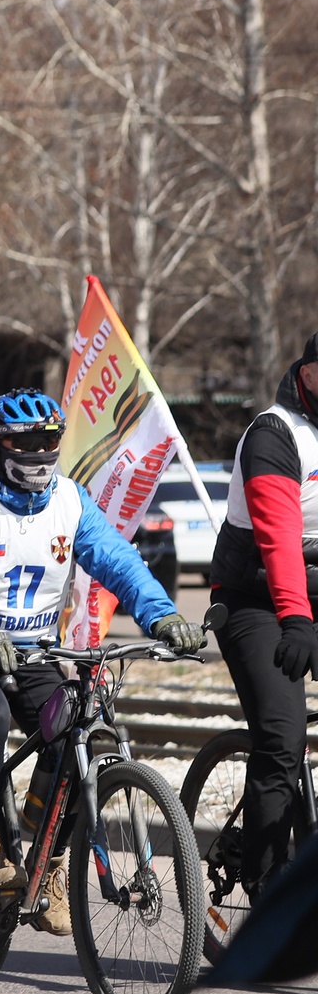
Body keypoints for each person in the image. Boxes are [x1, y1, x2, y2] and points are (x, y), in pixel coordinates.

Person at [0, 389, 200, 932]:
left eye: (49, 440)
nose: (41, 453)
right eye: (27, 442)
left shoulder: (70, 501)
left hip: (33, 649)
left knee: (78, 735)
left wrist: (162, 616)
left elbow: (117, 560)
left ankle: (44, 861)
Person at [206, 334, 318, 896]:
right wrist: (298, 621)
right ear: (308, 371)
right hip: (256, 598)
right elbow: (278, 542)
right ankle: (267, 879)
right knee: (281, 735)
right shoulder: (274, 434)